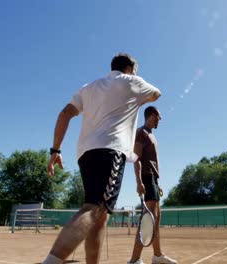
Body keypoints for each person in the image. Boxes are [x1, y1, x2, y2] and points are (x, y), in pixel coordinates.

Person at [43, 53, 161, 264]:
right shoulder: (132, 81)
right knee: (94, 209)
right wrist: (135, 92)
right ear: (129, 68)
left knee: (99, 216)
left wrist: (56, 150)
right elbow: (156, 94)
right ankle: (51, 261)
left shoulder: (89, 87)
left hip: (85, 154)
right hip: (111, 151)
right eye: (134, 70)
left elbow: (64, 113)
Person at [127, 106, 177, 264]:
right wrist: (139, 181)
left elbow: (152, 162)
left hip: (153, 179)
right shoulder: (141, 132)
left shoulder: (151, 135)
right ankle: (134, 260)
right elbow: (136, 159)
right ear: (151, 115)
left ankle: (157, 256)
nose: (159, 120)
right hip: (146, 178)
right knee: (148, 220)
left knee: (156, 218)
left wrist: (157, 182)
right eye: (158, 117)